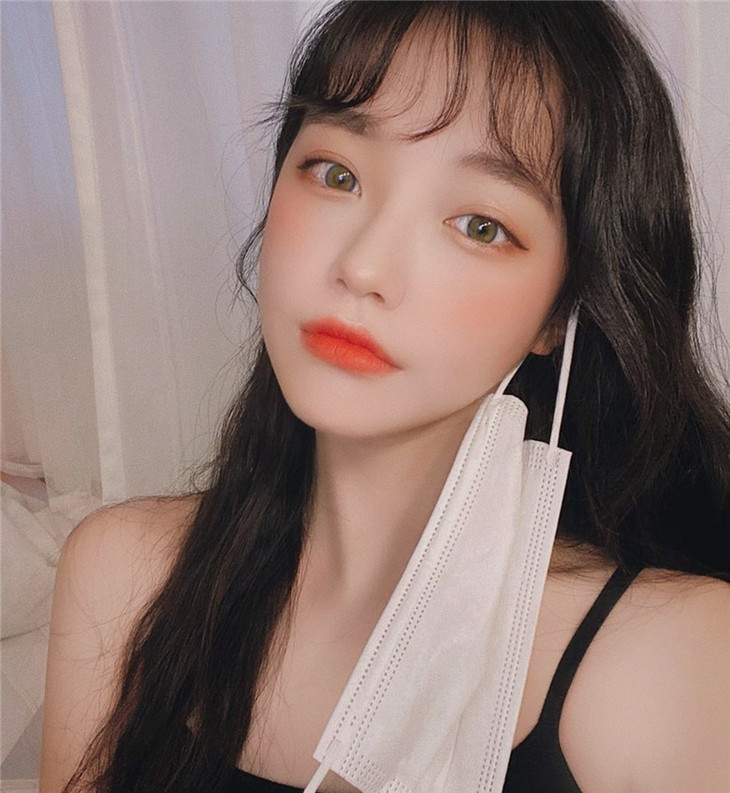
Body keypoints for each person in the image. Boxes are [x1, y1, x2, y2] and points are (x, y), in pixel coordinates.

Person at [40, 2, 730, 792]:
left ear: (560, 311)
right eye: (337, 175)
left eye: (479, 224)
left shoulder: (672, 661)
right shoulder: (124, 578)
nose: (364, 266)